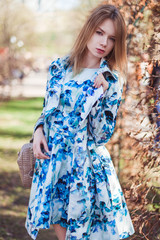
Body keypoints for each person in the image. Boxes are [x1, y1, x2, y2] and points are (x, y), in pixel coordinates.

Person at [25, 4, 135, 240]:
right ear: (88, 29)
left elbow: (100, 136)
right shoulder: (59, 68)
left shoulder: (112, 80)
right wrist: (39, 131)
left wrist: (101, 95)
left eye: (112, 38)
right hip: (55, 163)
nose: (104, 42)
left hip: (85, 171)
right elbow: (47, 111)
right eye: (99, 32)